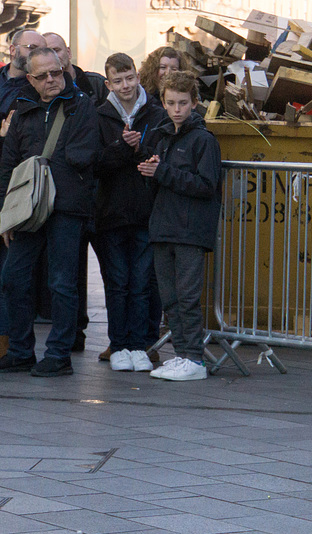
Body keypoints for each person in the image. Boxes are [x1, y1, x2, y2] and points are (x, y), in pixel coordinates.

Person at [0, 47, 99, 377]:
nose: (52, 80)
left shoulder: (81, 104)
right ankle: (20, 350)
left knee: (61, 283)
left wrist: (42, 172)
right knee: (14, 278)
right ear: (31, 79)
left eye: (56, 72)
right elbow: (8, 163)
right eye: (43, 76)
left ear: (63, 68)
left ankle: (59, 355)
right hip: (28, 209)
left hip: (67, 208)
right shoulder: (23, 107)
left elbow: (83, 155)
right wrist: (6, 214)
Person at [137, 71, 222, 381]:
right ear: (163, 102)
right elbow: (160, 182)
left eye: (183, 103)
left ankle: (194, 359)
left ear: (194, 103)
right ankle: (183, 355)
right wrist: (149, 172)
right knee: (170, 300)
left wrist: (161, 173)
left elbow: (206, 185)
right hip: (163, 227)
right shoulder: (161, 136)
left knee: (187, 298)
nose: (177, 109)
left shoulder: (203, 140)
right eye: (171, 103)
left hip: (189, 230)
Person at [95, 53, 166, 373]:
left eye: (130, 78)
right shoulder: (99, 115)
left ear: (138, 77)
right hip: (110, 213)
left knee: (141, 283)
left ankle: (139, 345)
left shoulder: (157, 113)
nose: (125, 86)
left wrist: (141, 151)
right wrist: (123, 148)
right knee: (117, 282)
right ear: (108, 83)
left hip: (145, 211)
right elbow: (93, 163)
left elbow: (162, 154)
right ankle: (119, 344)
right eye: (118, 81)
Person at [44, 32, 109, 353]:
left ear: (66, 53)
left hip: (88, 197)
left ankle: (77, 337)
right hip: (51, 200)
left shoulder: (91, 88)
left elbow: (84, 150)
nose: (53, 61)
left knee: (80, 272)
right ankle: (65, 336)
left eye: (57, 51)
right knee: (60, 274)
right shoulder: (34, 98)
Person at [0, 30, 47, 359]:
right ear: (12, 48)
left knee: (11, 272)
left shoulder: (32, 90)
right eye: (31, 46)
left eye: (40, 48)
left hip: (13, 189)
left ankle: (9, 342)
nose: (35, 51)